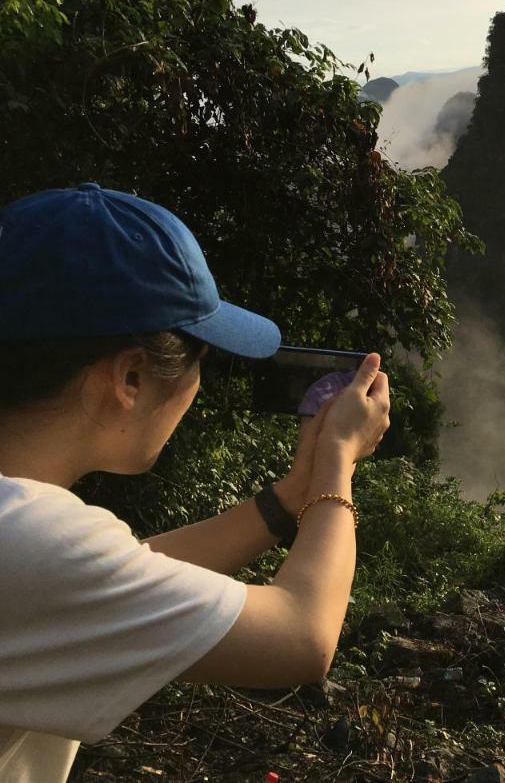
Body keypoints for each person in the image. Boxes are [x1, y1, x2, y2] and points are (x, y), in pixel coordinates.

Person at [0, 183, 391, 782]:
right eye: (200, 359)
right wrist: (338, 459)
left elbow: (117, 571)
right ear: (130, 377)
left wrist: (290, 497)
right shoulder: (29, 538)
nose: (198, 386)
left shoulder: (25, 531)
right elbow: (303, 637)